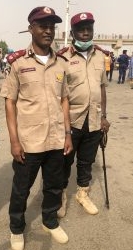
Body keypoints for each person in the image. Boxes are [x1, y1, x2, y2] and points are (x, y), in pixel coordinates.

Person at [0, 6, 73, 250]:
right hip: (29, 141)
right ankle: (16, 229)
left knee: (53, 186)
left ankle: (50, 222)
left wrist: (67, 134)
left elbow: (64, 99)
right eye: (43, 26)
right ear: (31, 28)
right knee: (21, 189)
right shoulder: (18, 63)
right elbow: (10, 102)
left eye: (52, 26)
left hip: (55, 140)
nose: (48, 31)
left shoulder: (61, 63)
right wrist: (14, 140)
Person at [57, 12, 110, 218]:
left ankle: (82, 193)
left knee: (86, 161)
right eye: (81, 29)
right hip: (72, 120)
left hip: (95, 119)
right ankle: (60, 195)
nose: (86, 33)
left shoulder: (100, 56)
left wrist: (104, 116)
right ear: (73, 32)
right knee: (64, 162)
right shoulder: (63, 57)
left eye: (89, 29)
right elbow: (58, 93)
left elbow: (102, 88)